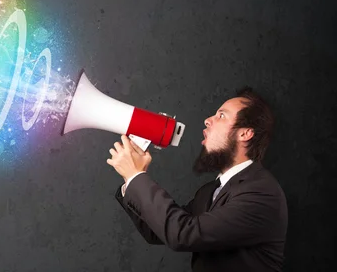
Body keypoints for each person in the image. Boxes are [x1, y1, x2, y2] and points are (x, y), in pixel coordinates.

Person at [107, 87, 288, 272]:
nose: (208, 120)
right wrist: (130, 180)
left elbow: (183, 234)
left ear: (245, 134)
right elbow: (157, 231)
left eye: (221, 116)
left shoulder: (261, 193)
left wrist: (136, 176)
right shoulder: (209, 191)